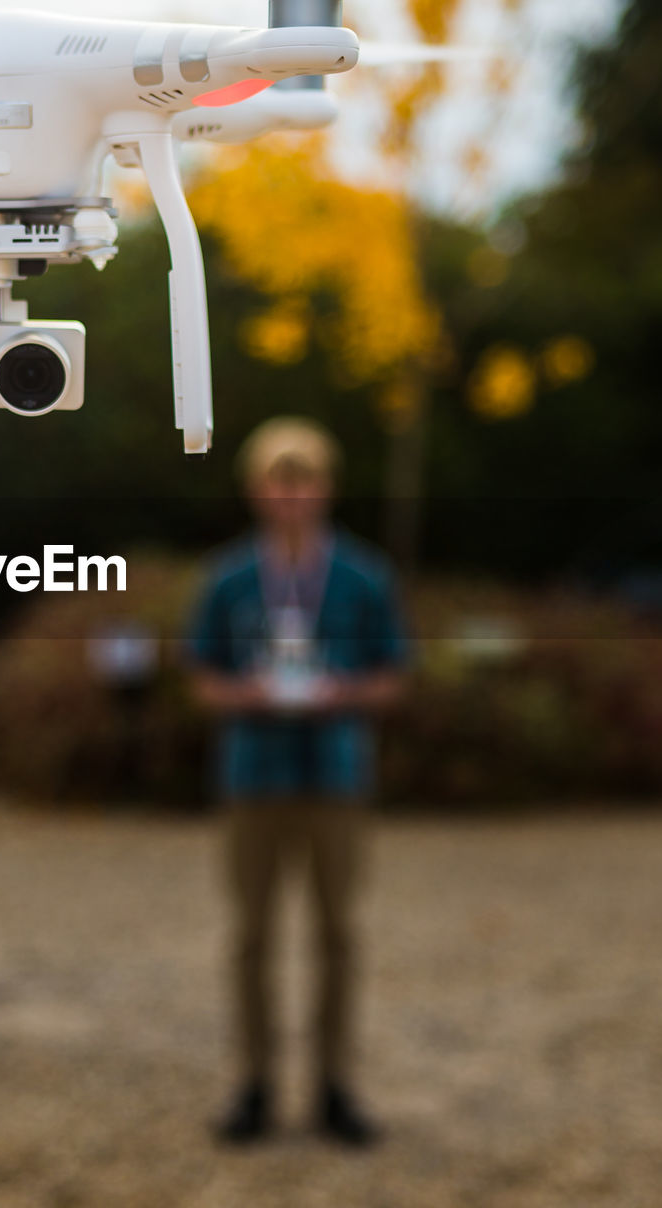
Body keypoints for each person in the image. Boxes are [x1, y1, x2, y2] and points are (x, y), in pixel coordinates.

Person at [186, 417, 409, 1147]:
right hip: (254, 775)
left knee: (337, 935)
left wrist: (341, 692)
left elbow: (393, 677)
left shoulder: (364, 577)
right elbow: (200, 679)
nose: (291, 497)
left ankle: (334, 1086)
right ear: (257, 491)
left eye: (303, 481)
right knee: (252, 937)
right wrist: (242, 695)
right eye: (279, 483)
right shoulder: (227, 578)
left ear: (325, 490)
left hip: (334, 775)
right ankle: (254, 1083)